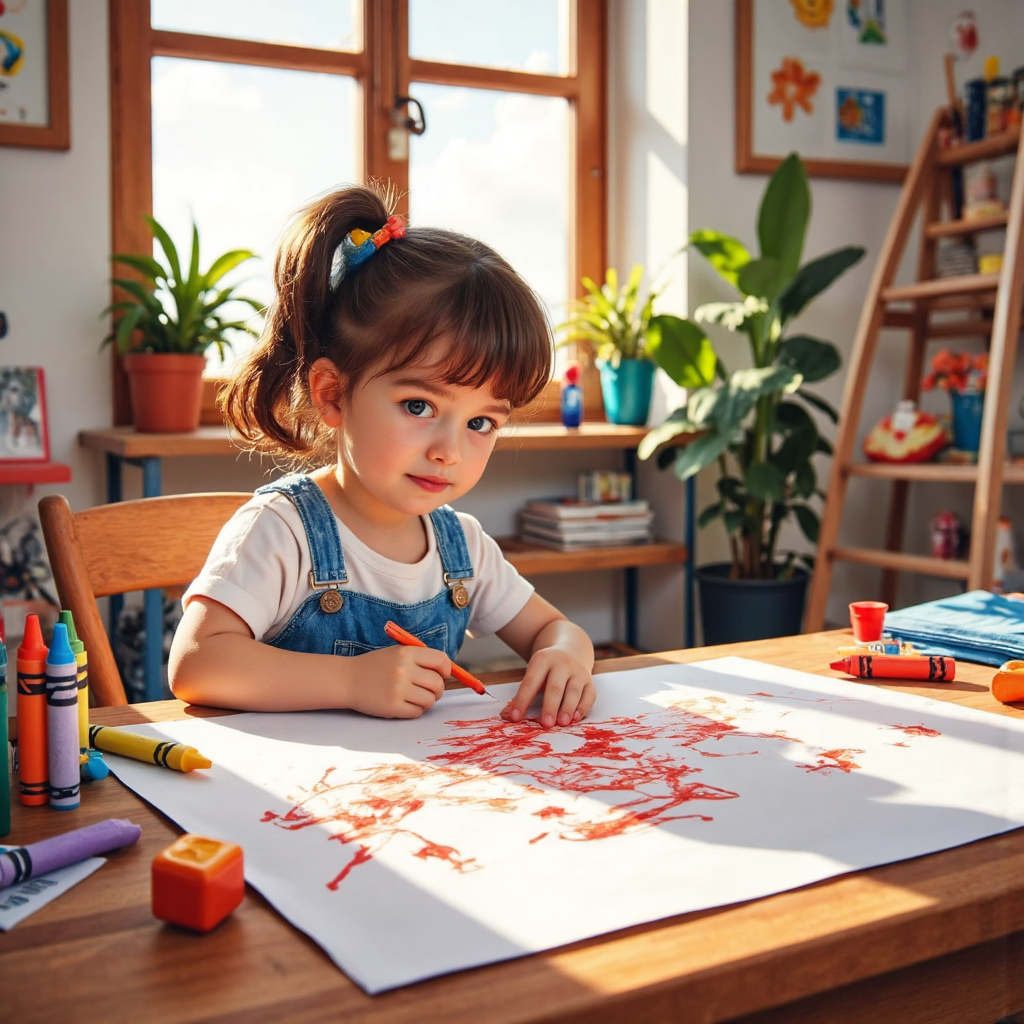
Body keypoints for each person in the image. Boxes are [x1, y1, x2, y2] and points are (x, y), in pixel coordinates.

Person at [169, 185, 596, 728]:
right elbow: (196, 663)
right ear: (331, 394)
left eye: (481, 422)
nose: (449, 451)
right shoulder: (282, 530)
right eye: (418, 405)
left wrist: (565, 655)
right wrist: (351, 681)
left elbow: (556, 629)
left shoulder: (460, 546)